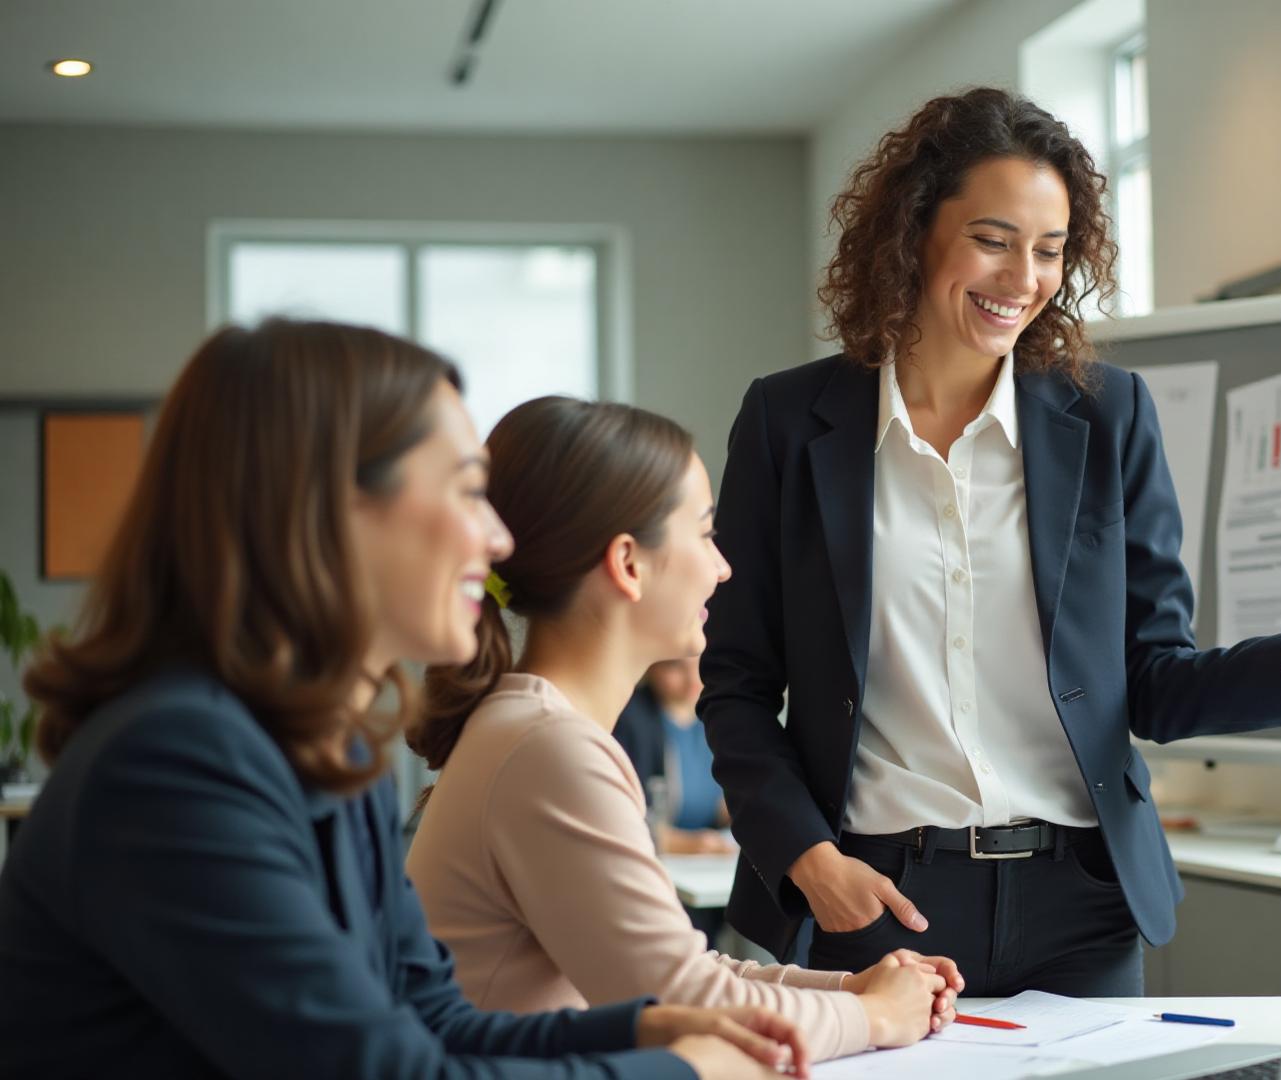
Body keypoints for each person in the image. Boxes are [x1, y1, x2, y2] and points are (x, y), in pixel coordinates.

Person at [700, 86, 1281, 995]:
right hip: (879, 901)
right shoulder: (788, 421)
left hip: (1080, 908)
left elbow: (1153, 681)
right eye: (992, 239)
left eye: (1050, 250)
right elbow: (736, 685)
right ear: (914, 231)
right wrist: (810, 860)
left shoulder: (1109, 415)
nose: (1023, 279)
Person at [0, 320, 797, 1079]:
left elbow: (430, 1017)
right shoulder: (174, 765)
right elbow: (376, 1072)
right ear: (326, 512)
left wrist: (642, 1028)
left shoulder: (329, 752)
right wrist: (676, 1067)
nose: (497, 541)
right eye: (465, 490)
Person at [406, 396, 959, 1065]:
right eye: (703, 533)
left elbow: (684, 975)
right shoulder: (547, 749)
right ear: (628, 563)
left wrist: (853, 989)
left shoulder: (536, 731)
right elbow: (688, 1003)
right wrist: (871, 1016)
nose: (722, 567)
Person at [613, 658, 734, 856]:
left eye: (701, 663)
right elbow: (619, 817)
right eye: (676, 666)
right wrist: (682, 844)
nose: (693, 678)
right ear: (650, 666)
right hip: (655, 858)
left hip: (712, 858)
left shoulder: (715, 717)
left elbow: (722, 803)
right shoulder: (629, 720)